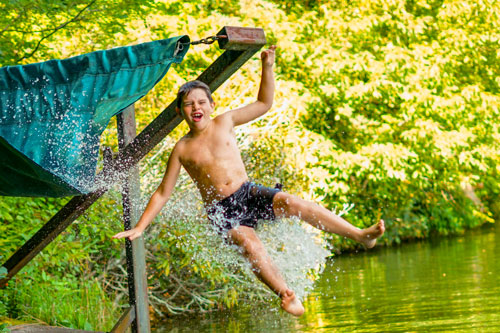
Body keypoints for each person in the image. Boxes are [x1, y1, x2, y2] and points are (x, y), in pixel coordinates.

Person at [112, 45, 385, 316]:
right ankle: (286, 294)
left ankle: (360, 235)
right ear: (179, 112)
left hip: (248, 192)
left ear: (211, 105)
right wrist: (140, 227)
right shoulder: (182, 149)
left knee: (291, 201)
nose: (195, 107)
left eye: (201, 102)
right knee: (249, 242)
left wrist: (267, 67)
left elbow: (264, 104)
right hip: (222, 212)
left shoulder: (225, 121)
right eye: (188, 104)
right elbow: (162, 192)